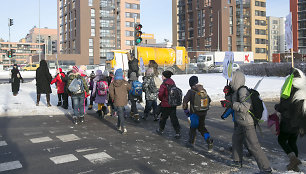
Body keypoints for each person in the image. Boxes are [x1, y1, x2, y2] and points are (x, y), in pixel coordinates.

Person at [221, 70, 272, 173]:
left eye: (232, 80)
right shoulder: (236, 91)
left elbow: (245, 107)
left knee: (253, 146)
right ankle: (237, 161)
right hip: (240, 122)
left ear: (236, 80)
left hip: (247, 122)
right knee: (236, 140)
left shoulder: (243, 91)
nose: (230, 82)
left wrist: (230, 105)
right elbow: (232, 101)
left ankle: (266, 168)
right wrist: (227, 94)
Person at [274, 68, 306, 172]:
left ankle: (293, 159)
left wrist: (277, 107)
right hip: (299, 120)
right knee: (292, 141)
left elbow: (285, 104)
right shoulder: (303, 88)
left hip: (289, 120)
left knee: (281, 140)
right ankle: (295, 164)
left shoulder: (290, 87)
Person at [183, 76, 213, 151]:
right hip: (203, 113)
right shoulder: (203, 90)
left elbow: (185, 103)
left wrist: (186, 112)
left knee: (193, 128)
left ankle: (191, 142)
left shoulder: (191, 92)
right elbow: (209, 100)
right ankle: (208, 140)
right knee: (202, 127)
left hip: (194, 113)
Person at [156, 70, 181, 139]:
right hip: (173, 103)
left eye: (162, 76)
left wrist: (162, 100)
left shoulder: (164, 84)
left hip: (166, 104)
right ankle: (177, 132)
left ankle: (161, 130)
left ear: (165, 77)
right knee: (174, 118)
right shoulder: (172, 83)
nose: (161, 77)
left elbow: (160, 94)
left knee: (163, 117)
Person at [109, 68, 131, 134]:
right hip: (123, 99)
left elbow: (111, 92)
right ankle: (119, 125)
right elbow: (130, 88)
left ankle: (123, 127)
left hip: (117, 99)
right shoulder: (125, 82)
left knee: (120, 112)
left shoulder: (113, 83)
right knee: (120, 112)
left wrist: (113, 98)